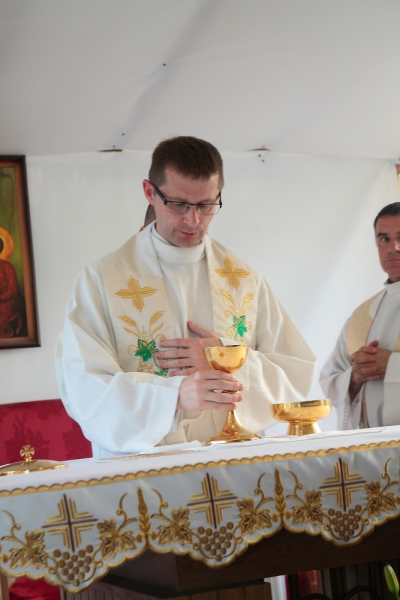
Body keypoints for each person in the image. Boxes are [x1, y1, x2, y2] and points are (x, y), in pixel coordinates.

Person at [56, 136, 316, 457]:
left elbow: (295, 374)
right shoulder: (100, 281)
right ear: (149, 192)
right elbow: (85, 387)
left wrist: (226, 358)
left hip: (233, 463)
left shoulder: (244, 280)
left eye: (206, 205)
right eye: (178, 204)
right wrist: (174, 396)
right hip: (144, 468)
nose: (193, 221)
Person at [320, 202, 400, 429]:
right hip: (372, 445)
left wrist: (391, 365)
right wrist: (355, 377)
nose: (393, 247)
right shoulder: (363, 316)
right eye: (384, 239)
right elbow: (331, 379)